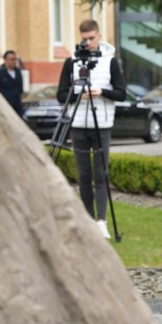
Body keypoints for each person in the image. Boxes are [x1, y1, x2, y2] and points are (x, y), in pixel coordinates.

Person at [57, 20, 126, 239]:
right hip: (77, 123)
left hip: (102, 124)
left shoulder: (110, 62)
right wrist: (79, 95)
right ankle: (87, 219)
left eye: (91, 38)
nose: (87, 43)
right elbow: (61, 95)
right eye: (84, 39)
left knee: (101, 173)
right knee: (84, 174)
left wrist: (101, 92)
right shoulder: (72, 62)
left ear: (99, 36)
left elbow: (121, 93)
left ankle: (102, 221)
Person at [0, 50, 25, 117]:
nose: (14, 62)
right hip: (4, 108)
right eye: (12, 59)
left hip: (17, 108)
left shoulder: (18, 73)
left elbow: (20, 89)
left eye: (15, 59)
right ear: (5, 60)